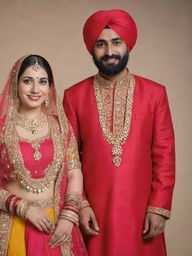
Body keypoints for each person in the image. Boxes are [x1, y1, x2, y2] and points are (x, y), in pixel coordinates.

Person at [63, 9, 175, 256]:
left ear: (128, 45)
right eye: (101, 44)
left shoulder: (155, 94)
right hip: (93, 213)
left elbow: (165, 155)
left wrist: (158, 207)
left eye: (116, 43)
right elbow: (68, 159)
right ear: (92, 49)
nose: (109, 52)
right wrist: (80, 205)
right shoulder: (74, 96)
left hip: (141, 212)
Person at [0, 55, 88, 256]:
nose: (35, 89)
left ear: (50, 88)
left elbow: (75, 172)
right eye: (27, 81)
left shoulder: (61, 127)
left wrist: (69, 215)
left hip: (56, 222)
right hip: (11, 221)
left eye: (42, 81)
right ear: (15, 85)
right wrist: (24, 208)